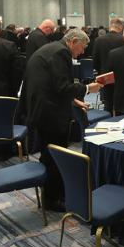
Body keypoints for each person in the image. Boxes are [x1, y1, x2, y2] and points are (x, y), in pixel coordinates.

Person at [21, 29, 102, 211]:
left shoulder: (51, 49)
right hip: (50, 113)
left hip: (40, 108)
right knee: (55, 156)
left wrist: (73, 100)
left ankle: (53, 193)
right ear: (73, 41)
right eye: (82, 47)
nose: (82, 52)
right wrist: (88, 88)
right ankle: (53, 199)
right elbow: (62, 86)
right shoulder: (61, 52)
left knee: (49, 154)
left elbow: (50, 83)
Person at [92, 18, 124, 112]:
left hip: (105, 77)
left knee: (107, 105)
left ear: (110, 26)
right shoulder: (123, 39)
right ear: (121, 27)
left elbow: (95, 61)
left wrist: (101, 71)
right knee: (120, 106)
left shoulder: (99, 40)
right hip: (121, 77)